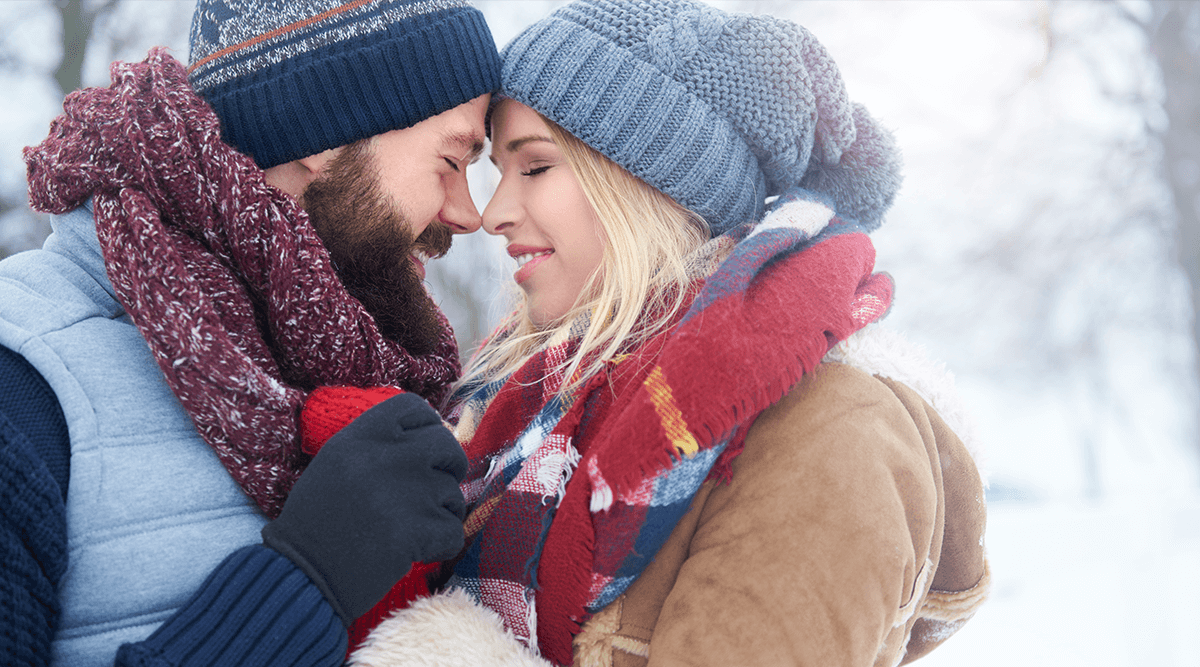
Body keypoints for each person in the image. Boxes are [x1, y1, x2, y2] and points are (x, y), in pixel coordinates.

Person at [346, 1, 990, 666]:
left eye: (534, 167)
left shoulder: (829, 431)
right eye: (496, 174)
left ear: (647, 185)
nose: (494, 213)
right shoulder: (517, 398)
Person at [0, 1, 503, 666]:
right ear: (326, 133)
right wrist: (306, 578)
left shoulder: (371, 362)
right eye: (451, 158)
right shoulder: (25, 375)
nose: (468, 214)